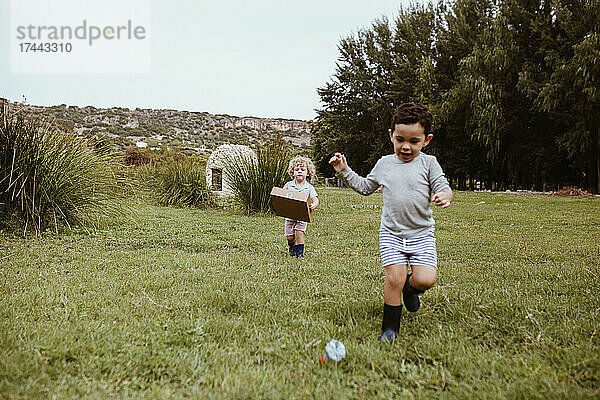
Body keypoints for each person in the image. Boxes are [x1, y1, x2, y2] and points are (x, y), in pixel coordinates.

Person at [328, 102, 453, 342]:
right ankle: (389, 329)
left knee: (426, 279)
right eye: (400, 139)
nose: (406, 146)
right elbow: (366, 187)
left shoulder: (429, 163)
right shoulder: (385, 163)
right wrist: (344, 170)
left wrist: (445, 196)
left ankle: (410, 288)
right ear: (391, 136)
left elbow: (442, 186)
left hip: (421, 234)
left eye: (414, 141)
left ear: (426, 140)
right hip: (392, 234)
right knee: (394, 278)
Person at [283, 156, 319, 258]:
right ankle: (292, 247)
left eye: (302, 170)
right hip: (290, 216)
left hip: (302, 216)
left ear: (308, 173)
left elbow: (315, 199)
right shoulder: (288, 185)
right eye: (297, 170)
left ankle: (300, 254)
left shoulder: (309, 187)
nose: (299, 172)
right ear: (292, 172)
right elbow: (282, 195)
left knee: (299, 233)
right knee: (290, 237)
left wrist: (314, 204)